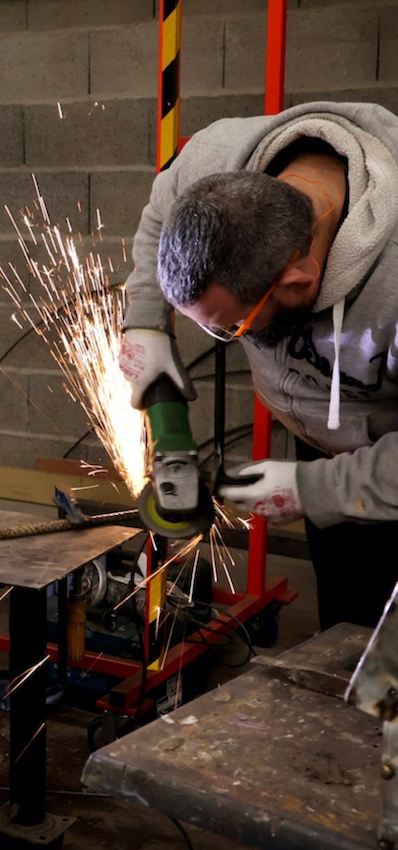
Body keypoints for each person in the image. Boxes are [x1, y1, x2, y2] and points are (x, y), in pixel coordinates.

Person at [118, 101, 398, 631]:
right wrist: (146, 323)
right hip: (329, 444)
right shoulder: (215, 159)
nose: (224, 337)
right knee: (347, 627)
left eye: (232, 326)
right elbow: (160, 213)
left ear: (298, 280)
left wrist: (316, 489)